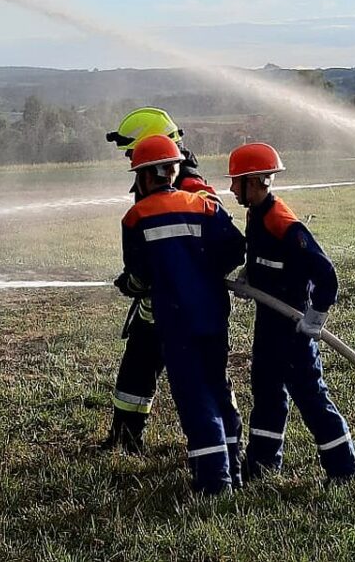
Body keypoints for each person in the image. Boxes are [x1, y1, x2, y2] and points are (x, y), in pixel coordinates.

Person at [226, 142, 355, 486]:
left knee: (310, 396)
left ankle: (343, 469)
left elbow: (325, 273)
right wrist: (249, 276)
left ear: (254, 181)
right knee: (267, 391)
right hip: (268, 323)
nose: (230, 188)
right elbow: (265, 259)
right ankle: (262, 464)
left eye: (236, 181)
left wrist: (315, 317)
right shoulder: (256, 213)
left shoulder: (281, 220)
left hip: (292, 327)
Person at [119, 135, 246, 494]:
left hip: (175, 323)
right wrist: (205, 269)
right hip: (213, 314)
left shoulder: (135, 217)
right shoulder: (205, 206)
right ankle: (234, 466)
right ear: (174, 171)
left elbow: (140, 275)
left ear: (144, 177)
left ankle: (214, 481)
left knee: (194, 398)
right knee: (219, 387)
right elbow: (236, 249)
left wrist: (130, 284)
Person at [101, 107, 217, 454]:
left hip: (180, 304)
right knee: (137, 367)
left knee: (196, 378)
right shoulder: (161, 175)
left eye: (131, 150)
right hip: (157, 299)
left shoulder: (189, 182)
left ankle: (215, 448)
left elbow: (210, 233)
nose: (129, 158)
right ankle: (125, 438)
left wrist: (142, 278)